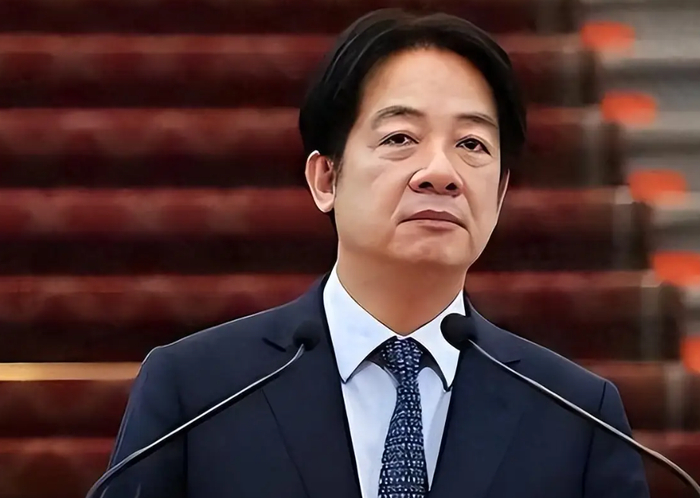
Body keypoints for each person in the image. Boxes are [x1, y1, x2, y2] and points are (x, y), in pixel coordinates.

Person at [106, 8, 650, 498]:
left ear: (501, 192)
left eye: (471, 145)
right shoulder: (198, 391)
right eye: (400, 138)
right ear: (326, 178)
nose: (440, 173)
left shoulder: (578, 415)